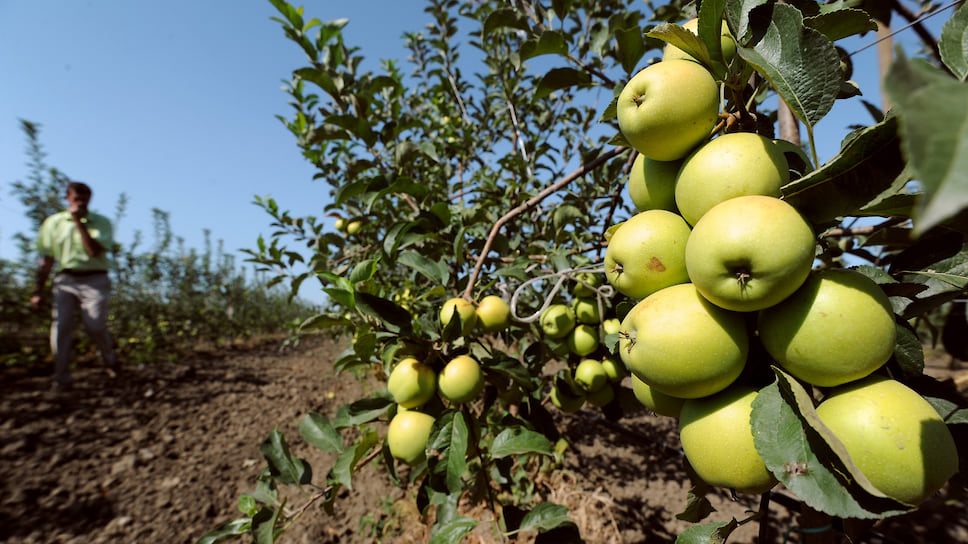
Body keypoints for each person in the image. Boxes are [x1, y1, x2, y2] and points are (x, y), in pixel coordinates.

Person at [30, 181, 119, 392]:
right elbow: (47, 259)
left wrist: (79, 223)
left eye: (85, 198)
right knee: (61, 329)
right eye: (77, 198)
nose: (81, 202)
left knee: (95, 325)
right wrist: (37, 291)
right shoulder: (54, 223)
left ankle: (109, 358)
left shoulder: (101, 222)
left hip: (95, 280)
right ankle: (62, 379)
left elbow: (94, 251)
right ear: (67, 198)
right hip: (65, 280)